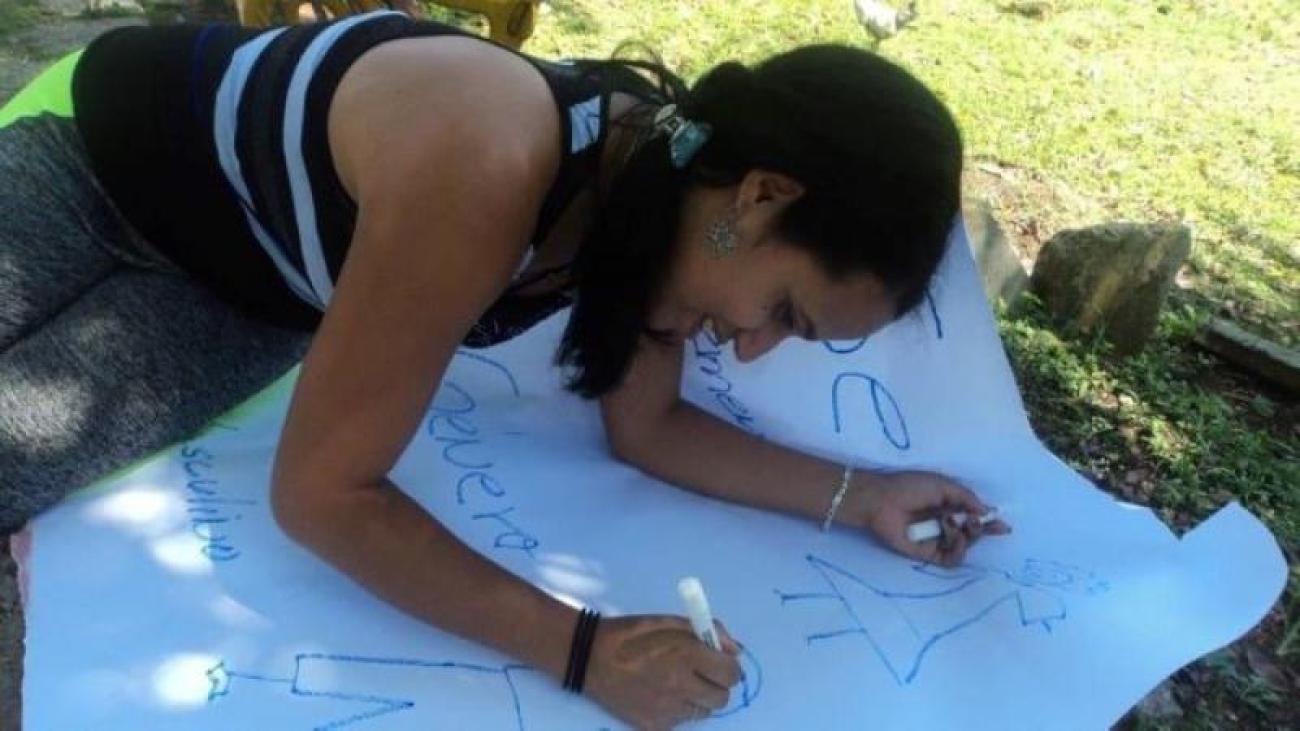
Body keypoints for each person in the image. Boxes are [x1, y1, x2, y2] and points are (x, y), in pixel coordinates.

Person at [0, 10, 1010, 728]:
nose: (751, 347)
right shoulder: (493, 158)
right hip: (101, 163)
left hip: (245, 292)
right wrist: (582, 650)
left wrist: (862, 493)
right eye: (786, 311)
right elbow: (320, 494)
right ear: (757, 196)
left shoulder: (658, 218)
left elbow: (647, 427)